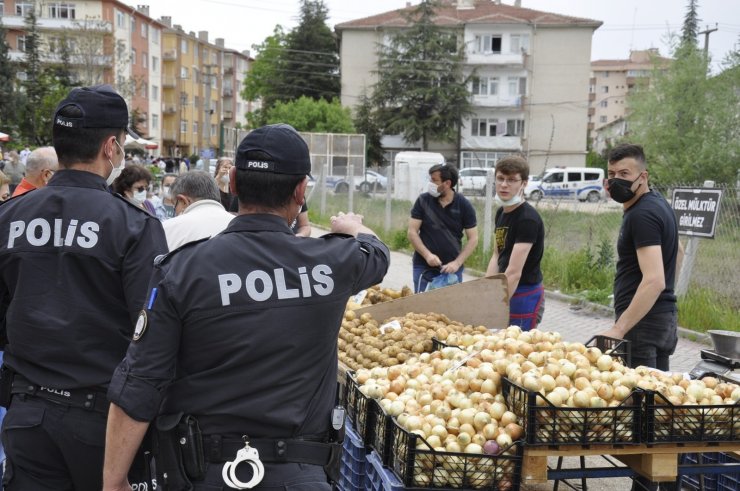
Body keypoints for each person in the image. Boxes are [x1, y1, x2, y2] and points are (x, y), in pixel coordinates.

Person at [103, 123, 390, 491]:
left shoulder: (183, 270)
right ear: (301, 191)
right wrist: (352, 227)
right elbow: (378, 254)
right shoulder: (331, 263)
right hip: (299, 476)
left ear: (233, 183)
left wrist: (114, 482)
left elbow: (140, 384)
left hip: (203, 473)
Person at [0, 84, 167, 490]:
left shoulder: (10, 217)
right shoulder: (133, 225)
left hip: (27, 415)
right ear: (111, 147)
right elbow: (151, 339)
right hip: (102, 422)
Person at [600, 144, 683, 371]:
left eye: (624, 174)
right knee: (657, 397)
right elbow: (680, 251)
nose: (616, 180)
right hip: (661, 318)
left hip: (642, 325)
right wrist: (665, 295)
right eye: (611, 174)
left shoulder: (642, 215)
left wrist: (619, 328)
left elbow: (654, 280)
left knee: (639, 401)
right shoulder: (658, 203)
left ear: (642, 176)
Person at [485, 156, 545, 330]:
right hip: (505, 287)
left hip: (524, 293)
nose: (504, 185)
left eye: (511, 180)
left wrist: (496, 306)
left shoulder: (527, 219)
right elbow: (497, 255)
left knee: (515, 349)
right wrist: (486, 289)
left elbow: (514, 272)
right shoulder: (501, 213)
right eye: (501, 178)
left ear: (524, 184)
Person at [407, 163, 478, 293]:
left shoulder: (464, 205)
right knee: (422, 309)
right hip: (424, 266)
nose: (430, 184)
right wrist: (427, 255)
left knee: (449, 309)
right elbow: (412, 232)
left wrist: (457, 263)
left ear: (447, 183)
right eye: (430, 180)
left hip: (452, 270)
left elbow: (473, 238)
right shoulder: (423, 201)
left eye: (434, 180)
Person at [162, 170, 235, 249]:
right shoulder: (238, 225)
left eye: (174, 205)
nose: (175, 211)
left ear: (183, 201)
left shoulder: (168, 229)